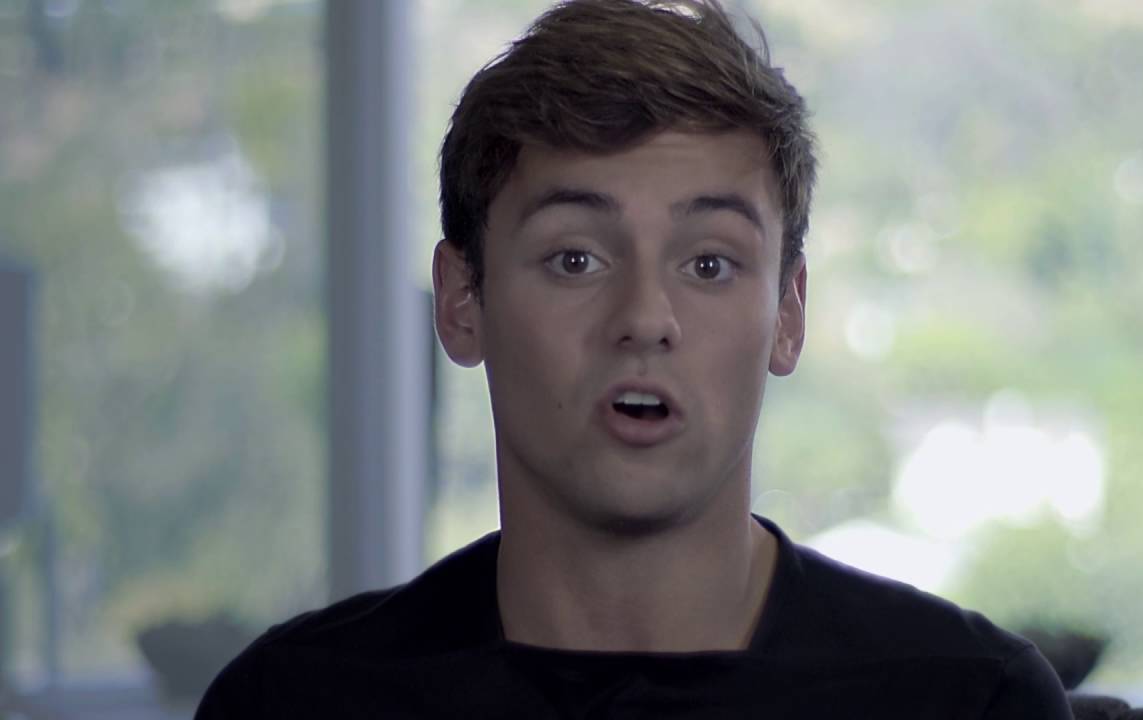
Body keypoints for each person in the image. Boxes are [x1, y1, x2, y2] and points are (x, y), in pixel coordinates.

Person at [196, 1, 1073, 717]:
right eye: (576, 259)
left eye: (709, 265)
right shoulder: (295, 702)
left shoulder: (968, 701)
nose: (646, 319)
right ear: (462, 300)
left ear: (787, 314)